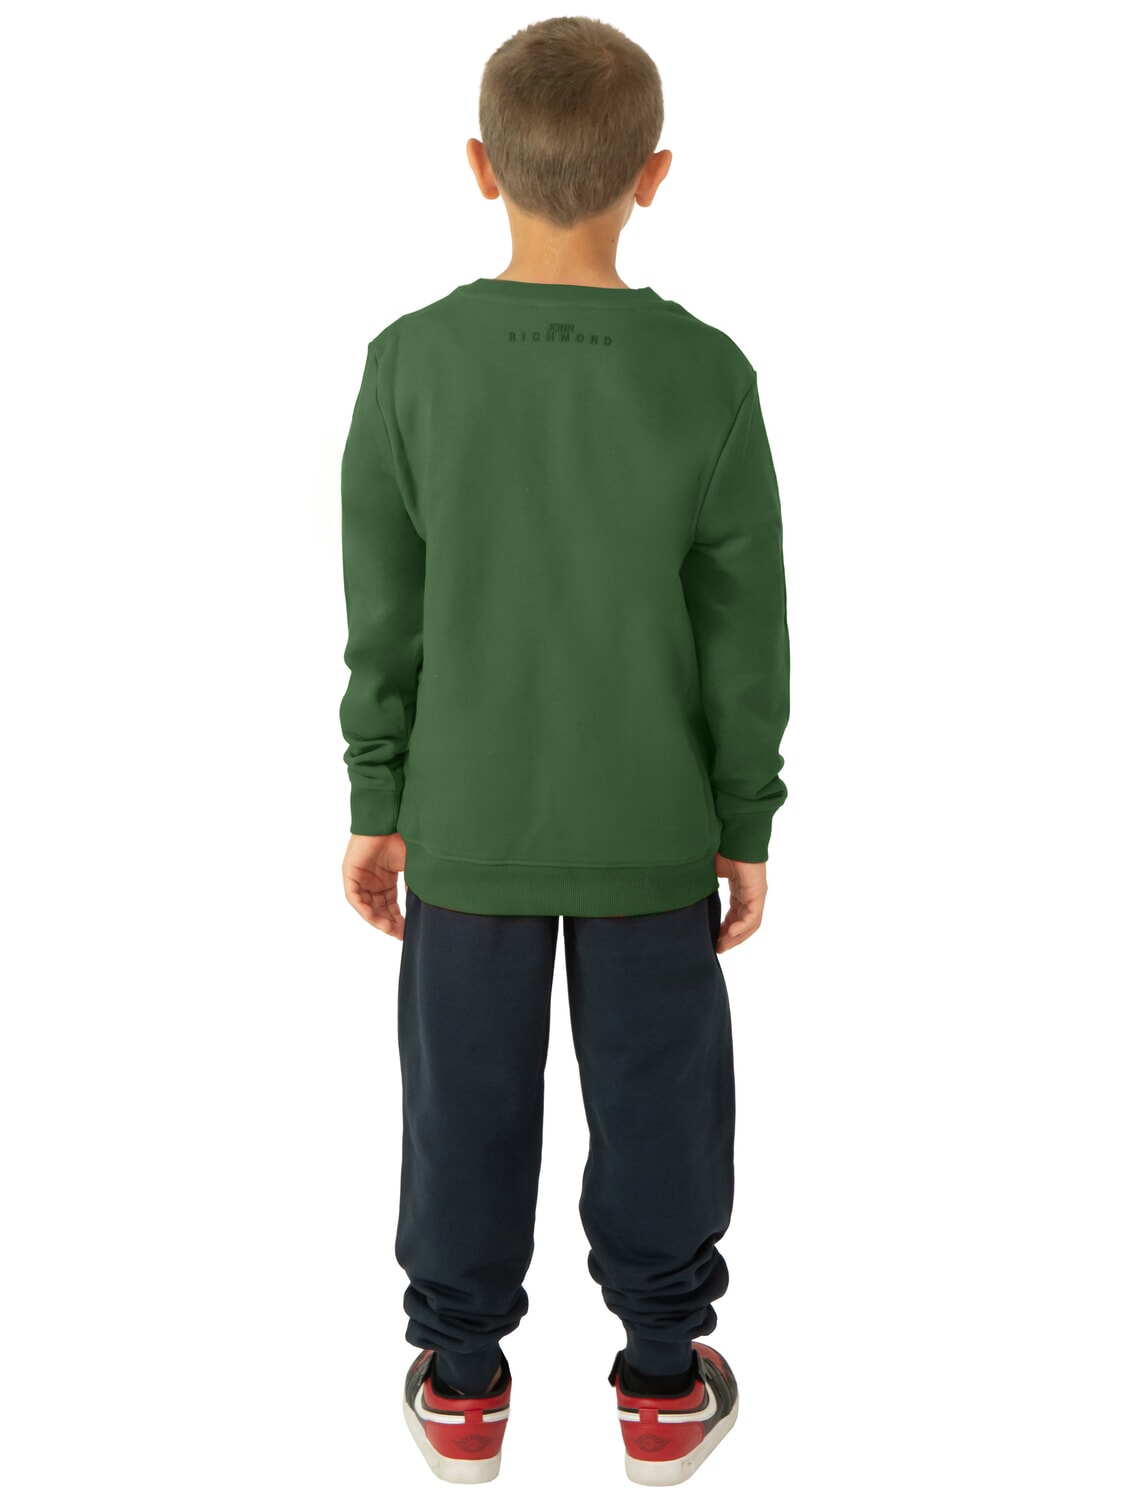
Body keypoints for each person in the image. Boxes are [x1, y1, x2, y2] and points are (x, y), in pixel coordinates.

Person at [338, 15, 790, 1486]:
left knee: (461, 1106)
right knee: (662, 1106)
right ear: (652, 175)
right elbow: (744, 629)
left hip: (465, 825)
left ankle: (462, 1384)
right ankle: (661, 1382)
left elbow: (384, 616)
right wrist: (744, 822)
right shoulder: (705, 373)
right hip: (652, 828)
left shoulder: (409, 363)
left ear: (481, 165)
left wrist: (376, 796)